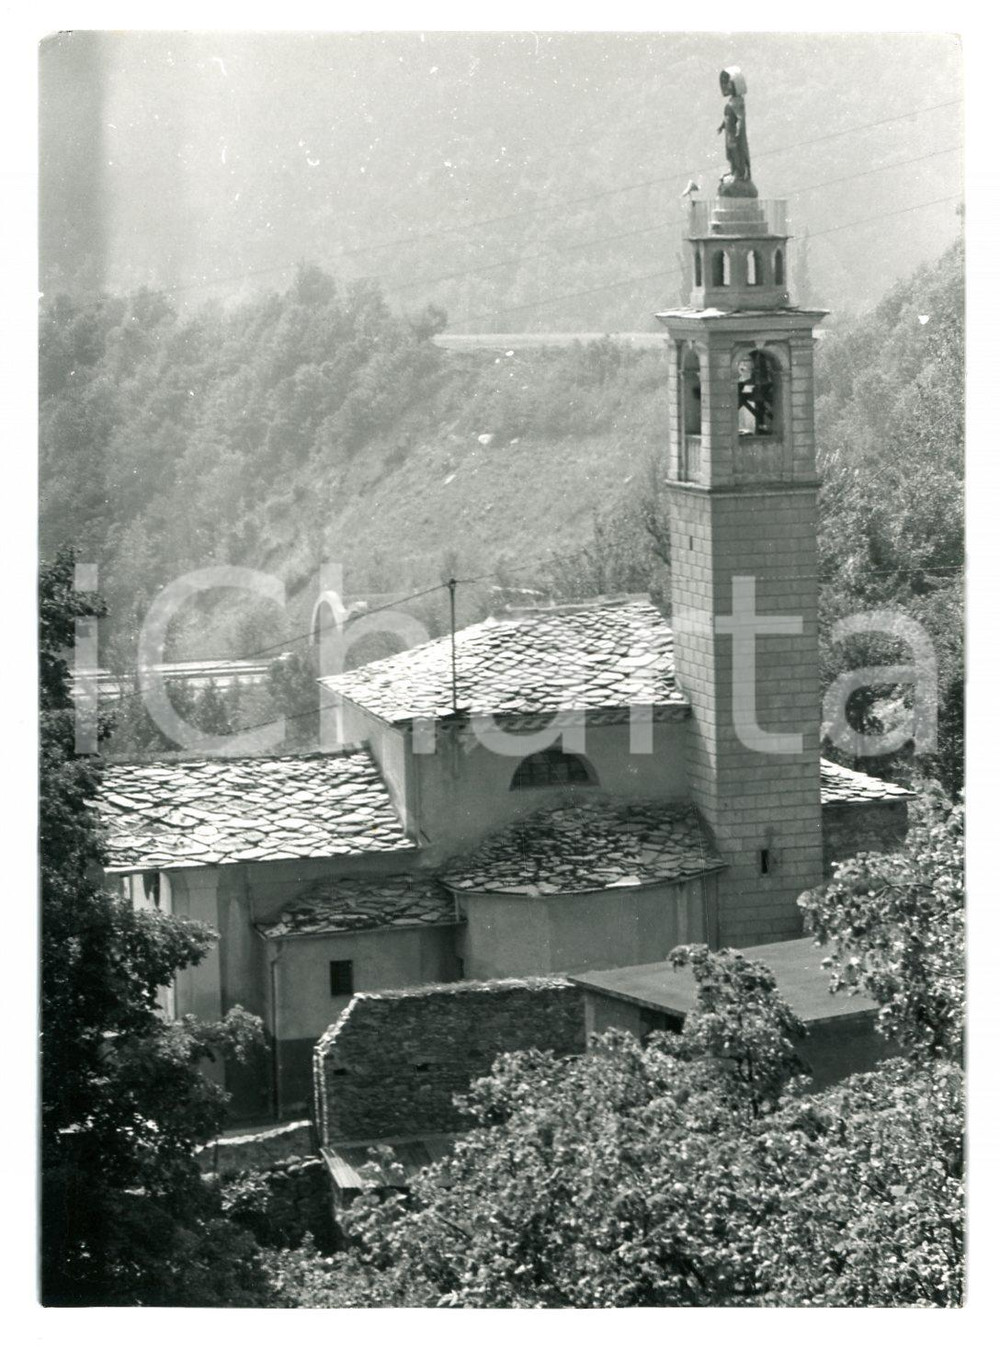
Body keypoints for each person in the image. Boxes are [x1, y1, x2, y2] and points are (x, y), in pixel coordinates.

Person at [718, 67, 751, 182]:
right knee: (730, 154)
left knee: (737, 153)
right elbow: (727, 116)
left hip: (734, 134)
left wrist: (738, 129)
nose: (727, 86)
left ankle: (739, 173)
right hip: (729, 133)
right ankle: (733, 171)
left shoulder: (737, 102)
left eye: (729, 84)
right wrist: (722, 126)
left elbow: (740, 118)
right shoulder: (732, 101)